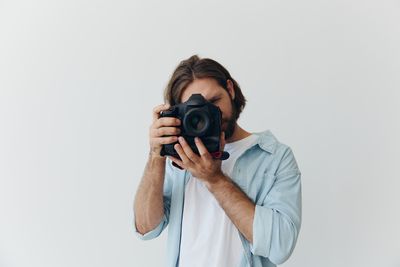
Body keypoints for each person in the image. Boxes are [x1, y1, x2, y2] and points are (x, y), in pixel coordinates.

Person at [133, 55, 302, 267]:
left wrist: (214, 179)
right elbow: (146, 228)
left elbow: (280, 246)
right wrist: (156, 154)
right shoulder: (179, 157)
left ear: (230, 90)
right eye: (196, 111)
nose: (209, 115)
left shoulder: (275, 157)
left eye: (213, 102)